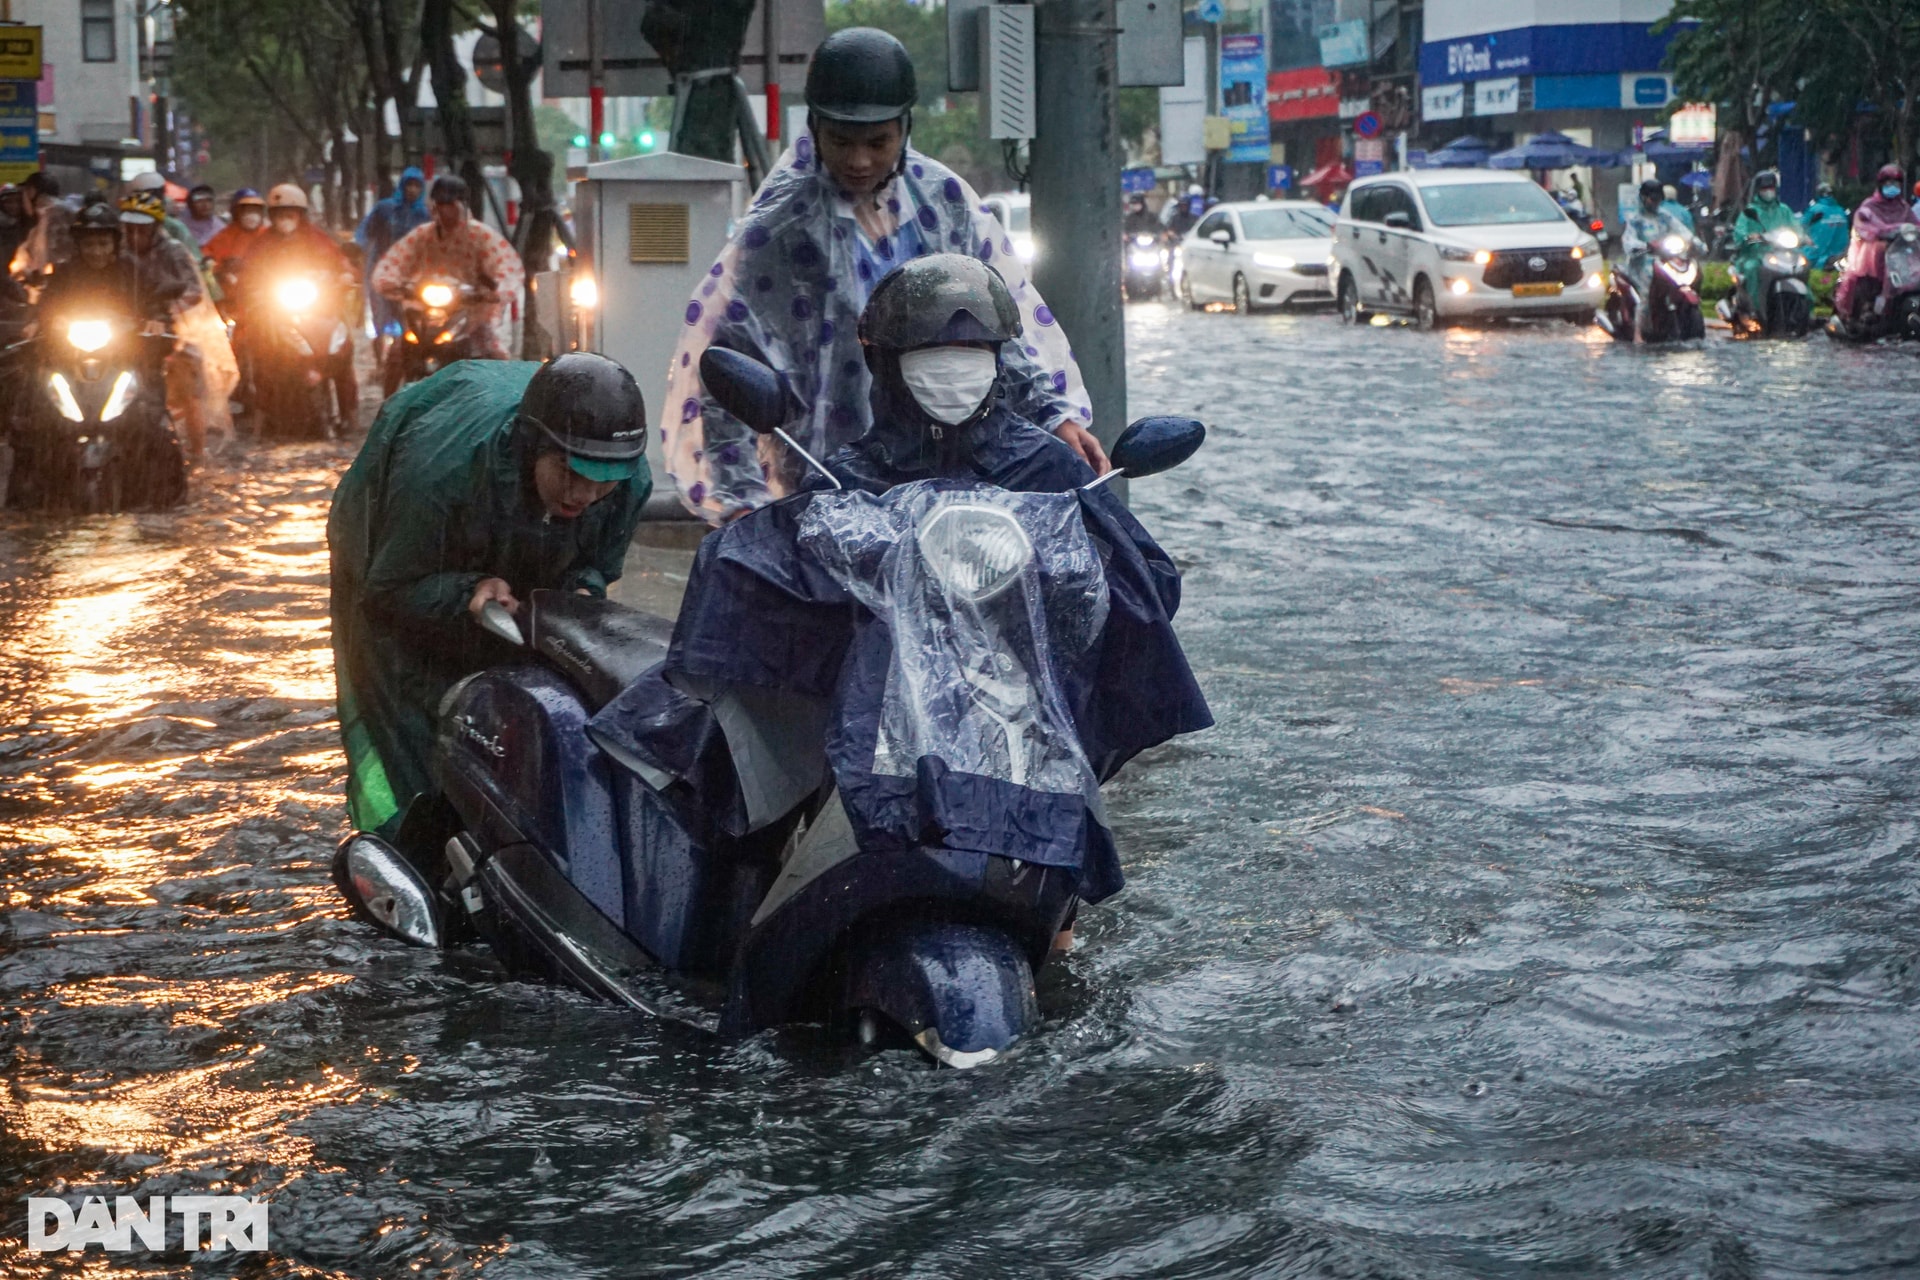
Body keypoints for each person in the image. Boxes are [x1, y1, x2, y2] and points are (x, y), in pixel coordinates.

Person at [596, 254, 1208, 932]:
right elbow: (782, 583)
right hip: (881, 719)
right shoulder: (848, 475)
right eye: (928, 351)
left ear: (999, 358)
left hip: (1018, 722)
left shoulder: (1049, 467)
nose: (952, 367)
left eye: (970, 349)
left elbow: (1137, 583)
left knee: (1063, 928)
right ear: (886, 362)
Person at [659, 27, 1101, 526]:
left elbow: (1001, 326)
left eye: (878, 141)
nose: (859, 160)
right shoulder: (779, 229)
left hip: (957, 480)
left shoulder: (945, 204)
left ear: (904, 129)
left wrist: (1052, 414)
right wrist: (739, 497)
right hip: (823, 486)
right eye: (840, 141)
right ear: (816, 129)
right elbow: (729, 369)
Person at [326, 353, 651, 837]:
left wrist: (582, 590)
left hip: (497, 528)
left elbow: (595, 565)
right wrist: (465, 590)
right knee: (412, 729)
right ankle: (403, 847)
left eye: (602, 483)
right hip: (395, 549)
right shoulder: (441, 474)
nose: (585, 495)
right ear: (532, 447)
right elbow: (388, 589)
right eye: (570, 473)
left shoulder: (626, 480)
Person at [234, 183, 358, 426]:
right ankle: (262, 412)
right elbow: (248, 274)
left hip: (318, 308)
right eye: (279, 214)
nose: (285, 219)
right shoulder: (262, 243)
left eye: (290, 213)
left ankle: (349, 412)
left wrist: (344, 275)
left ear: (301, 215)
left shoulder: (318, 239)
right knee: (260, 352)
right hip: (275, 311)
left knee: (342, 349)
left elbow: (338, 262)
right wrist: (252, 290)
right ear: (272, 216)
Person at [371, 174, 525, 368]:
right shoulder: (422, 235)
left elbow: (507, 265)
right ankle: (391, 398)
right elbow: (395, 260)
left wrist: (496, 291)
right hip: (424, 310)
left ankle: (504, 396)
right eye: (441, 205)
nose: (446, 212)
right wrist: (391, 281)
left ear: (462, 205)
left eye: (451, 205)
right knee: (395, 356)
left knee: (495, 355)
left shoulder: (481, 236)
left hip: (471, 313)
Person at [356, 166, 430, 356]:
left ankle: (408, 357)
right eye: (409, 185)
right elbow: (365, 232)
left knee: (410, 317)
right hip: (380, 270)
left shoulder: (425, 216)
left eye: (417, 186)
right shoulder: (385, 209)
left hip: (411, 275)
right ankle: (380, 361)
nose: (412, 190)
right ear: (402, 186)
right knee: (379, 317)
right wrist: (357, 248)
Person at [1834, 164, 1920, 321]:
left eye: (1896, 184)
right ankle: (1871, 305)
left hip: (1901, 255)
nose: (1892, 188)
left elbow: (1915, 226)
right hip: (1873, 259)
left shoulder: (1904, 207)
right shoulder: (1869, 207)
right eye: (1888, 184)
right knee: (1878, 252)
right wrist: (1885, 231)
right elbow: (1865, 226)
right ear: (1880, 186)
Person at [1727, 169, 1803, 319]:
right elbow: (1740, 235)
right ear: (1758, 190)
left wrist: (1802, 237)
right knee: (1753, 269)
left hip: (1782, 254)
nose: (1768, 191)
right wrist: (1753, 238)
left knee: (1803, 266)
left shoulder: (1784, 210)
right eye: (1764, 188)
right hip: (1756, 254)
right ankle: (1756, 309)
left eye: (1771, 188)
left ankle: (1806, 308)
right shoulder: (1749, 212)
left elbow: (1796, 227)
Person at [1619, 178, 1696, 298]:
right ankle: (1642, 316)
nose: (1655, 203)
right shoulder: (1635, 219)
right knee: (1647, 295)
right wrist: (1646, 245)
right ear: (1643, 198)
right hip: (1642, 266)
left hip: (1665, 262)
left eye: (1658, 200)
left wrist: (1696, 243)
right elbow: (1628, 241)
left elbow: (1682, 230)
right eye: (1652, 199)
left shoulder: (1665, 216)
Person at [202, 189, 269, 309]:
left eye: (255, 211)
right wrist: (221, 269)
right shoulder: (225, 236)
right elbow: (207, 258)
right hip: (233, 298)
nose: (251, 216)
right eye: (247, 211)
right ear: (237, 213)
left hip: (269, 293)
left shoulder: (269, 235)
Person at [13, 171, 77, 280]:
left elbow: (47, 256)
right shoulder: (57, 211)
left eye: (24, 192)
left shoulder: (52, 214)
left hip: (56, 282)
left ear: (32, 191)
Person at [1801, 182, 1850, 269]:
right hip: (1839, 256)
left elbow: (1802, 226)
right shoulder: (1841, 211)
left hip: (1817, 256)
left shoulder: (1815, 209)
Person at [0, 183, 26, 270]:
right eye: (9, 202)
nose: (14, 206)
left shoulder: (20, 223)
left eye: (17, 201)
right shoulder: (5, 225)